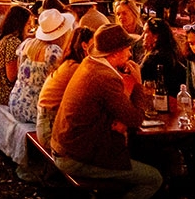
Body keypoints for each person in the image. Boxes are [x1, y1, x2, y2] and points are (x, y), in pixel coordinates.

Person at [52, 24, 162, 199]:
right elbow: (136, 119)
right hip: (77, 158)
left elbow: (120, 112)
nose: (130, 54)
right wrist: (138, 83)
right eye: (127, 49)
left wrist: (123, 120)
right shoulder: (106, 77)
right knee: (153, 178)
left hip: (67, 147)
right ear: (116, 53)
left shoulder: (90, 64)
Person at [9, 8, 71, 124]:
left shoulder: (27, 44)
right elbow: (61, 83)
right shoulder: (53, 52)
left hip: (16, 103)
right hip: (35, 110)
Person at [36, 27, 94, 148]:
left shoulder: (69, 64)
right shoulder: (75, 68)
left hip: (46, 124)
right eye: (94, 44)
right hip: (50, 132)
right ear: (85, 46)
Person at [0, 4, 31, 106]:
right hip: (4, 93)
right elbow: (12, 77)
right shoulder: (12, 42)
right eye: (28, 24)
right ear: (20, 24)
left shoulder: (1, 35)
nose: (31, 27)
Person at [138, 19, 186, 95]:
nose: (142, 36)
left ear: (156, 36)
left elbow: (141, 81)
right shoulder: (175, 52)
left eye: (146, 32)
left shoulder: (153, 59)